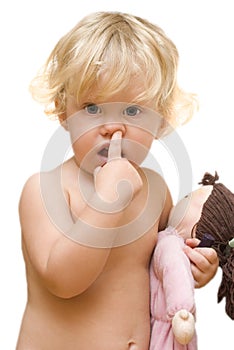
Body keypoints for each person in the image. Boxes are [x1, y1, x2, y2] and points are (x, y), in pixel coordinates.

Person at [16, 11, 218, 350]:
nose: (113, 127)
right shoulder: (45, 190)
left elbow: (162, 265)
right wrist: (108, 199)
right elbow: (64, 281)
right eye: (93, 108)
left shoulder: (155, 191)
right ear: (64, 111)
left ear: (161, 118)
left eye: (133, 111)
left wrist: (195, 269)